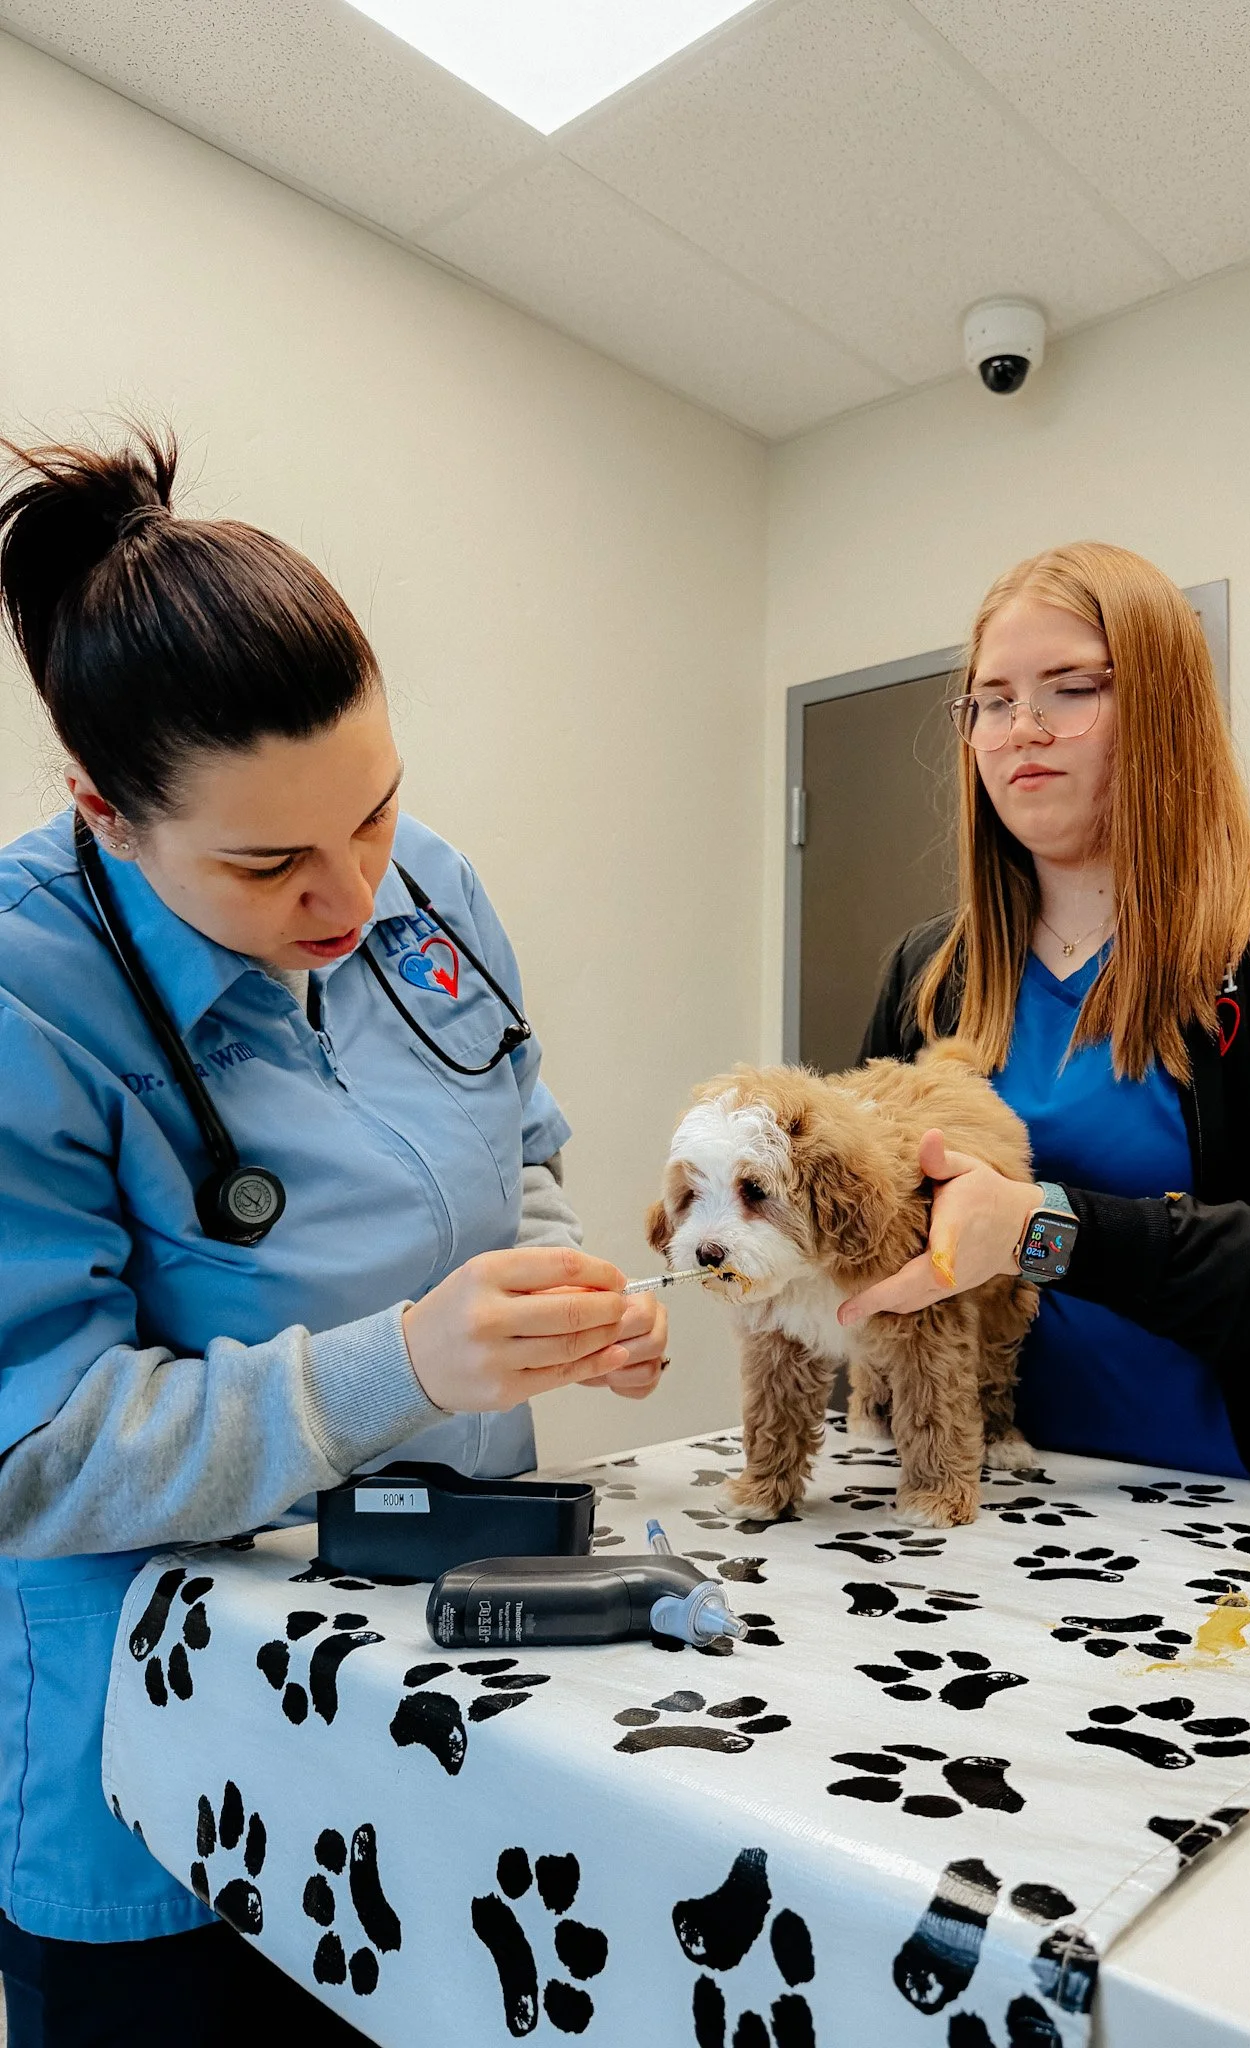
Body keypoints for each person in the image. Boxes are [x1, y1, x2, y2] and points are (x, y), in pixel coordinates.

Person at [0, 431, 667, 2043]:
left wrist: (565, 1292)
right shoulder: (30, 993)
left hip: (450, 1675)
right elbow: (33, 1453)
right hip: (164, 1760)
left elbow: (519, 1132)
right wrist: (398, 1369)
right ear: (104, 812)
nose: (352, 891)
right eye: (269, 861)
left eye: (370, 811)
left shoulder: (425, 885)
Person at [846, 540, 1250, 1503]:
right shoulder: (933, 972)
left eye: (1071, 690)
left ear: (1164, 708)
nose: (1021, 730)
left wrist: (1042, 1230)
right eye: (992, 702)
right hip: (998, 1498)